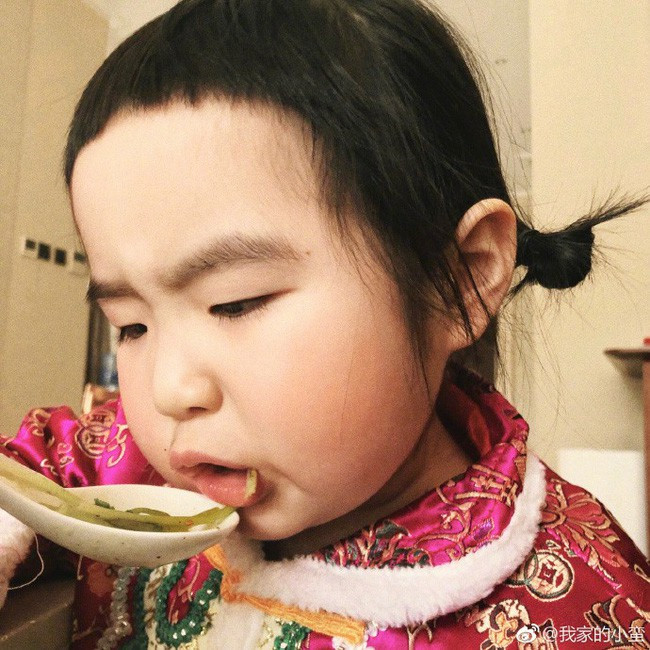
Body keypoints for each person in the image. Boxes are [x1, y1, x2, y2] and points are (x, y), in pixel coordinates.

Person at [0, 0, 648, 647]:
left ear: (460, 282)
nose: (170, 391)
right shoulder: (147, 467)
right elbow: (32, 472)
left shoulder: (579, 616)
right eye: (131, 325)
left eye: (236, 303)